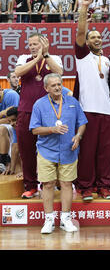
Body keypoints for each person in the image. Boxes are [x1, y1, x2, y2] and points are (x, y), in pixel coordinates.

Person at [30, 73, 87, 234]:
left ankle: (66, 219)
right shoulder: (39, 105)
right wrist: (52, 129)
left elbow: (82, 123)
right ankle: (48, 220)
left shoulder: (72, 102)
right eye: (53, 85)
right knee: (47, 184)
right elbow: (34, 129)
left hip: (69, 150)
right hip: (46, 151)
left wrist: (78, 136)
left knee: (67, 184)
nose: (57, 87)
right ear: (46, 88)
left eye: (59, 84)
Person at [74, 0, 110, 202]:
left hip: (108, 111)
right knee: (88, 152)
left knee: (105, 153)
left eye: (99, 37)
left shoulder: (107, 61)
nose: (97, 39)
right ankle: (86, 187)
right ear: (86, 42)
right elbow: (81, 31)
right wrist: (84, 7)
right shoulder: (82, 57)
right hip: (87, 110)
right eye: (93, 38)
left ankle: (105, 186)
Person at [15, 34, 63, 199]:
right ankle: (31, 186)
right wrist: (36, 59)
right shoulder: (24, 58)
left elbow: (59, 73)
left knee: (49, 149)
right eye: (30, 44)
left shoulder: (53, 58)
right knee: (26, 150)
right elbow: (18, 72)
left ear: (44, 43)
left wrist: (46, 55)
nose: (32, 47)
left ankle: (49, 184)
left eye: (36, 44)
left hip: (48, 112)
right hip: (26, 111)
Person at [0, 87, 20, 175]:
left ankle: (3, 162)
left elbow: (14, 115)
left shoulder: (11, 95)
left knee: (1, 129)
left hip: (19, 128)